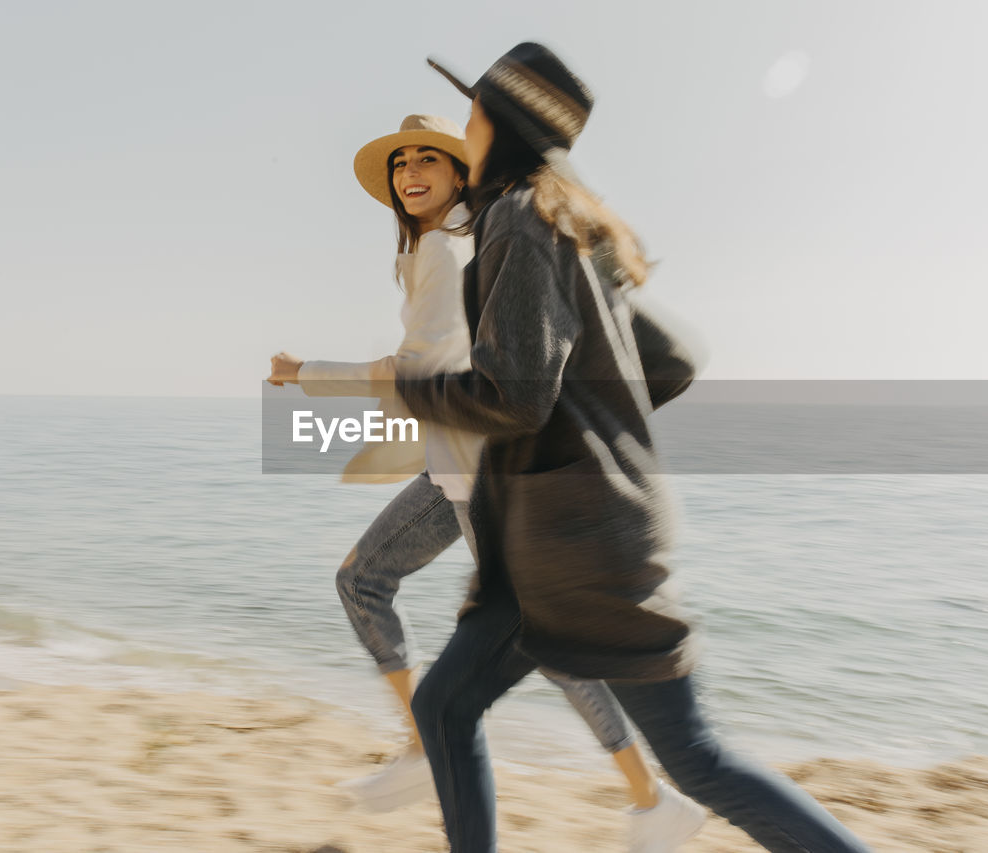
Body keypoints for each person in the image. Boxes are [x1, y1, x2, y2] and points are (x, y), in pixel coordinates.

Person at [395, 43, 875, 853]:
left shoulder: (516, 222)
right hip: (551, 548)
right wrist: (596, 420)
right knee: (444, 704)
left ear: (495, 126)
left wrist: (414, 387)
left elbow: (513, 396)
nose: (464, 129)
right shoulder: (571, 225)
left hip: (581, 553)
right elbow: (676, 358)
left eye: (473, 112)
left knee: (697, 759)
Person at [266, 115, 704, 848]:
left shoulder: (446, 247)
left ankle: (645, 794)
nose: (409, 171)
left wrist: (305, 372)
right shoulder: (441, 248)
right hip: (455, 472)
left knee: (546, 642)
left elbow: (418, 373)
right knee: (363, 580)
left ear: (459, 170)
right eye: (400, 162)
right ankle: (429, 745)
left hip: (484, 481)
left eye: (427, 159)